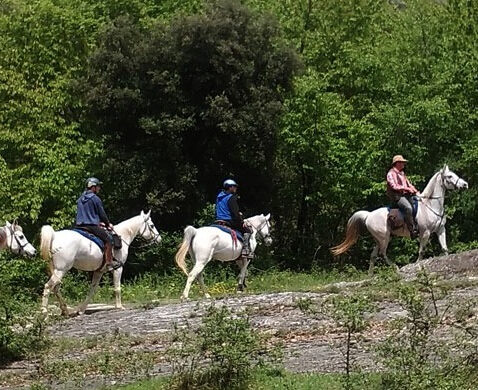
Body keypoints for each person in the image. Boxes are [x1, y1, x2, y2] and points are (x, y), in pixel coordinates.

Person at [75, 177, 116, 268]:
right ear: (93, 187)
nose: (99, 188)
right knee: (109, 239)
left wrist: (98, 222)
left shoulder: (80, 199)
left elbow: (85, 214)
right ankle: (109, 263)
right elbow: (102, 214)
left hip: (79, 226)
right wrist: (107, 223)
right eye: (98, 186)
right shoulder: (95, 198)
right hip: (91, 227)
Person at [215, 179, 252, 256]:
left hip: (218, 220)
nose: (236, 188)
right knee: (247, 230)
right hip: (229, 220)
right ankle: (245, 250)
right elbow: (235, 213)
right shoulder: (231, 197)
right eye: (234, 187)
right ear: (230, 187)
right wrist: (242, 221)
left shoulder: (219, 196)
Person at [386, 155, 419, 238]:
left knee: (417, 204)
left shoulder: (402, 173)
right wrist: (406, 188)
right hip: (396, 196)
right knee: (408, 208)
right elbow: (394, 186)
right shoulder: (390, 174)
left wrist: (415, 190)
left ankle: (417, 224)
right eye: (402, 162)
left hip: (405, 195)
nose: (404, 164)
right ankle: (412, 230)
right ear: (397, 163)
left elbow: (408, 184)